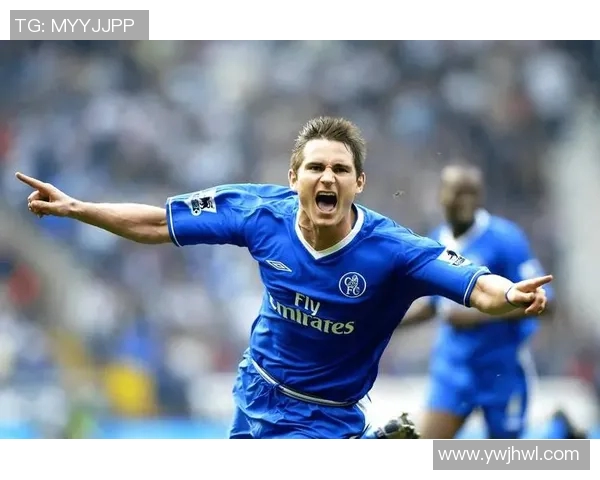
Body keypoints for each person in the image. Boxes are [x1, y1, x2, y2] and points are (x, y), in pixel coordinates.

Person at [16, 117, 551, 439]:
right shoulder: (257, 213)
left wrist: (511, 294)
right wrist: (78, 208)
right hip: (255, 391)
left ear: (359, 183)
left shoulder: (393, 250)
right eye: (316, 167)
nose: (327, 177)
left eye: (340, 169)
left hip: (325, 416)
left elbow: (476, 286)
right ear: (293, 177)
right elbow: (158, 223)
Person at [399, 164, 554, 439]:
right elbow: (433, 305)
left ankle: (563, 434)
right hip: (453, 369)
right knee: (426, 449)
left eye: (472, 193)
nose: (466, 201)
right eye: (459, 193)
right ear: (441, 196)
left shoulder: (505, 238)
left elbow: (545, 303)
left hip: (502, 368)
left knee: (502, 458)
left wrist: (477, 314)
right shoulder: (435, 241)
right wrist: (382, 322)